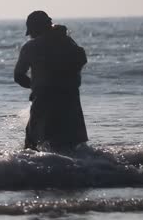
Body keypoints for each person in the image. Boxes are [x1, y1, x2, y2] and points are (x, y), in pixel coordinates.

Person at [14, 10, 88, 151]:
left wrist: (35, 86)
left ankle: (29, 170)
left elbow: (18, 76)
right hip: (70, 100)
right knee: (74, 147)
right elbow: (82, 59)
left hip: (43, 101)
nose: (31, 35)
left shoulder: (30, 47)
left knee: (32, 146)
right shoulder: (68, 42)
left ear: (35, 28)